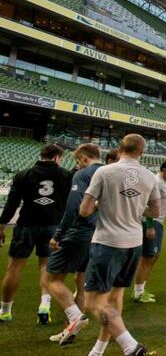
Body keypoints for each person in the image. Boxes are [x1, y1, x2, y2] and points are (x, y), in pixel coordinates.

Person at [73, 134, 159, 356]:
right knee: (114, 298)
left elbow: (85, 209)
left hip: (108, 242)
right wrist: (134, 207)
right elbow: (155, 210)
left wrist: (105, 204)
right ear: (142, 152)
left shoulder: (105, 172)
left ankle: (130, 346)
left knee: (93, 303)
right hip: (134, 244)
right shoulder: (148, 176)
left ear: (120, 148)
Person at [0, 143, 71, 324]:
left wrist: (1, 225)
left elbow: (12, 204)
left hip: (27, 225)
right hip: (53, 227)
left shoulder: (23, 174)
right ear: (57, 157)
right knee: (46, 267)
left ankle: (5, 310)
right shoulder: (65, 175)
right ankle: (44, 306)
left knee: (14, 268)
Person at [46, 144, 102, 345]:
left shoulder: (83, 174)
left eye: (78, 161)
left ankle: (75, 317)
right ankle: (70, 330)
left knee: (51, 278)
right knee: (81, 283)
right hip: (98, 235)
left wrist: (59, 234)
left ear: (85, 158)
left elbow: (73, 208)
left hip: (79, 232)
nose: (77, 165)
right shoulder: (107, 172)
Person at [132, 159, 166, 303]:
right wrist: (150, 225)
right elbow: (148, 204)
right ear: (164, 170)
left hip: (159, 222)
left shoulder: (161, 182)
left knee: (154, 256)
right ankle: (138, 292)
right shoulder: (156, 182)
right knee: (148, 257)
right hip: (152, 223)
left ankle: (141, 289)